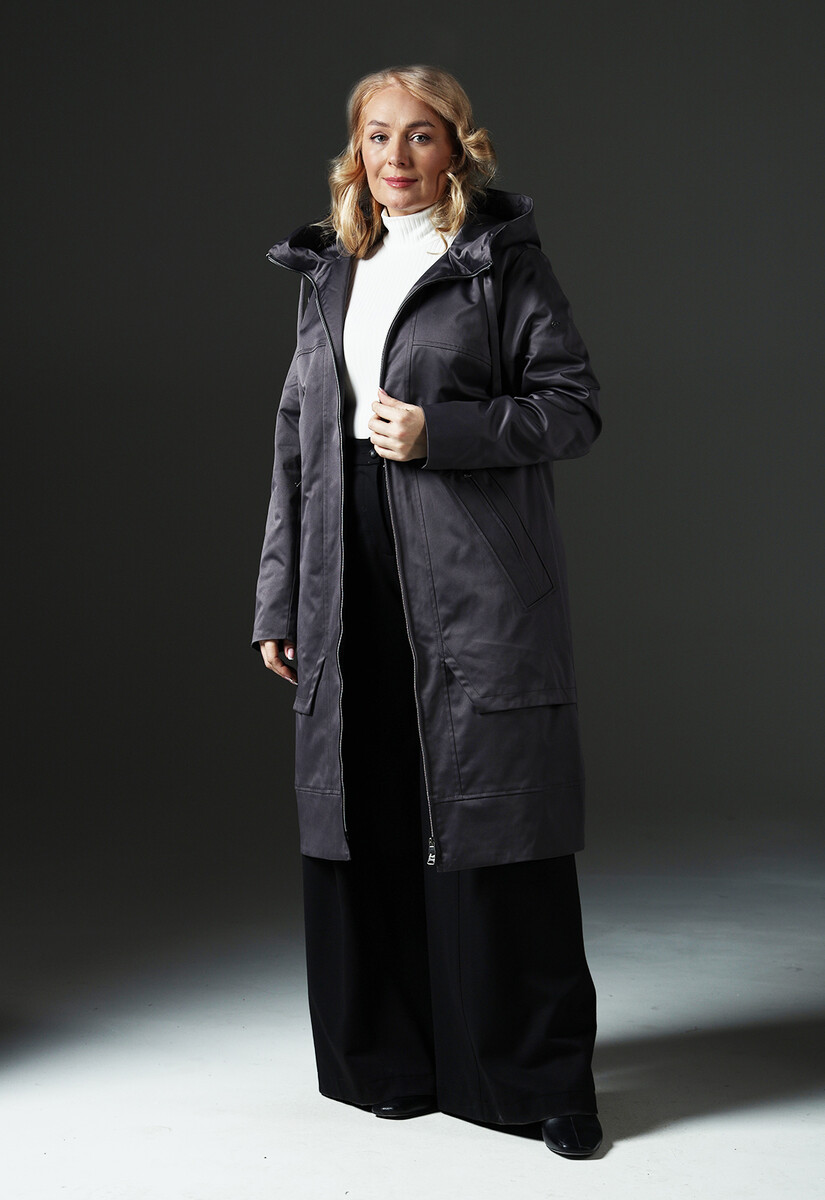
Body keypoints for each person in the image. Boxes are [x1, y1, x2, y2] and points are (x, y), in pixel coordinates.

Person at [251, 64, 604, 1159]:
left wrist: (440, 432)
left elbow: (572, 407)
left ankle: (538, 1082)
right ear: (353, 151)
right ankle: (392, 1063)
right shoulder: (330, 270)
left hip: (470, 573)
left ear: (458, 148)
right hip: (344, 561)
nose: (395, 158)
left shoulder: (500, 261)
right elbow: (295, 441)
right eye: (376, 136)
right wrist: (276, 593)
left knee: (493, 814)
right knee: (372, 802)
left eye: (420, 136)